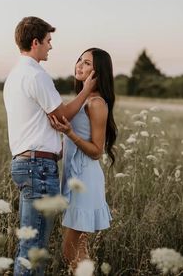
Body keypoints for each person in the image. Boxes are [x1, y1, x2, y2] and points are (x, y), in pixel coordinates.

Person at [3, 17, 96, 276]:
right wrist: (86, 90)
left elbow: (48, 118)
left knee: (28, 245)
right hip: (38, 167)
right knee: (35, 249)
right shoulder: (35, 75)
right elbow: (63, 114)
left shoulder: (15, 75)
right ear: (35, 42)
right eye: (48, 41)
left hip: (27, 164)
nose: (50, 47)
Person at [49, 47, 117, 273]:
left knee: (71, 249)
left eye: (87, 63)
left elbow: (97, 151)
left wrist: (69, 134)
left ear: (99, 72)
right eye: (79, 60)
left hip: (86, 180)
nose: (79, 65)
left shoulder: (96, 103)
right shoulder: (82, 99)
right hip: (74, 177)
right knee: (77, 247)